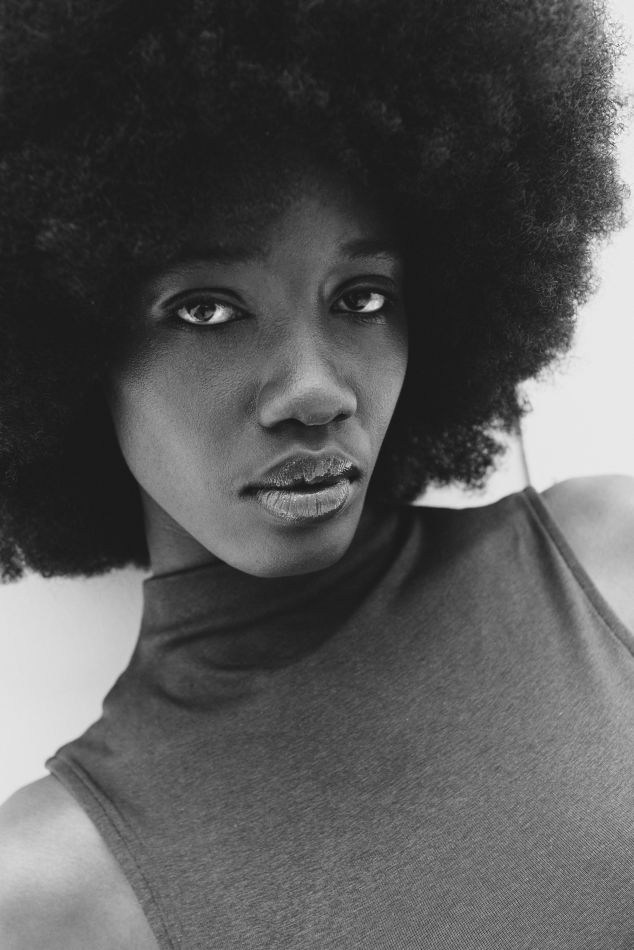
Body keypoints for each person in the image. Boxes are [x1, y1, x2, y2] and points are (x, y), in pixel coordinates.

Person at [1, 0, 633, 947]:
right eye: (207, 310)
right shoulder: (48, 887)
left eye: (362, 298)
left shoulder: (608, 566)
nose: (314, 391)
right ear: (66, 342)